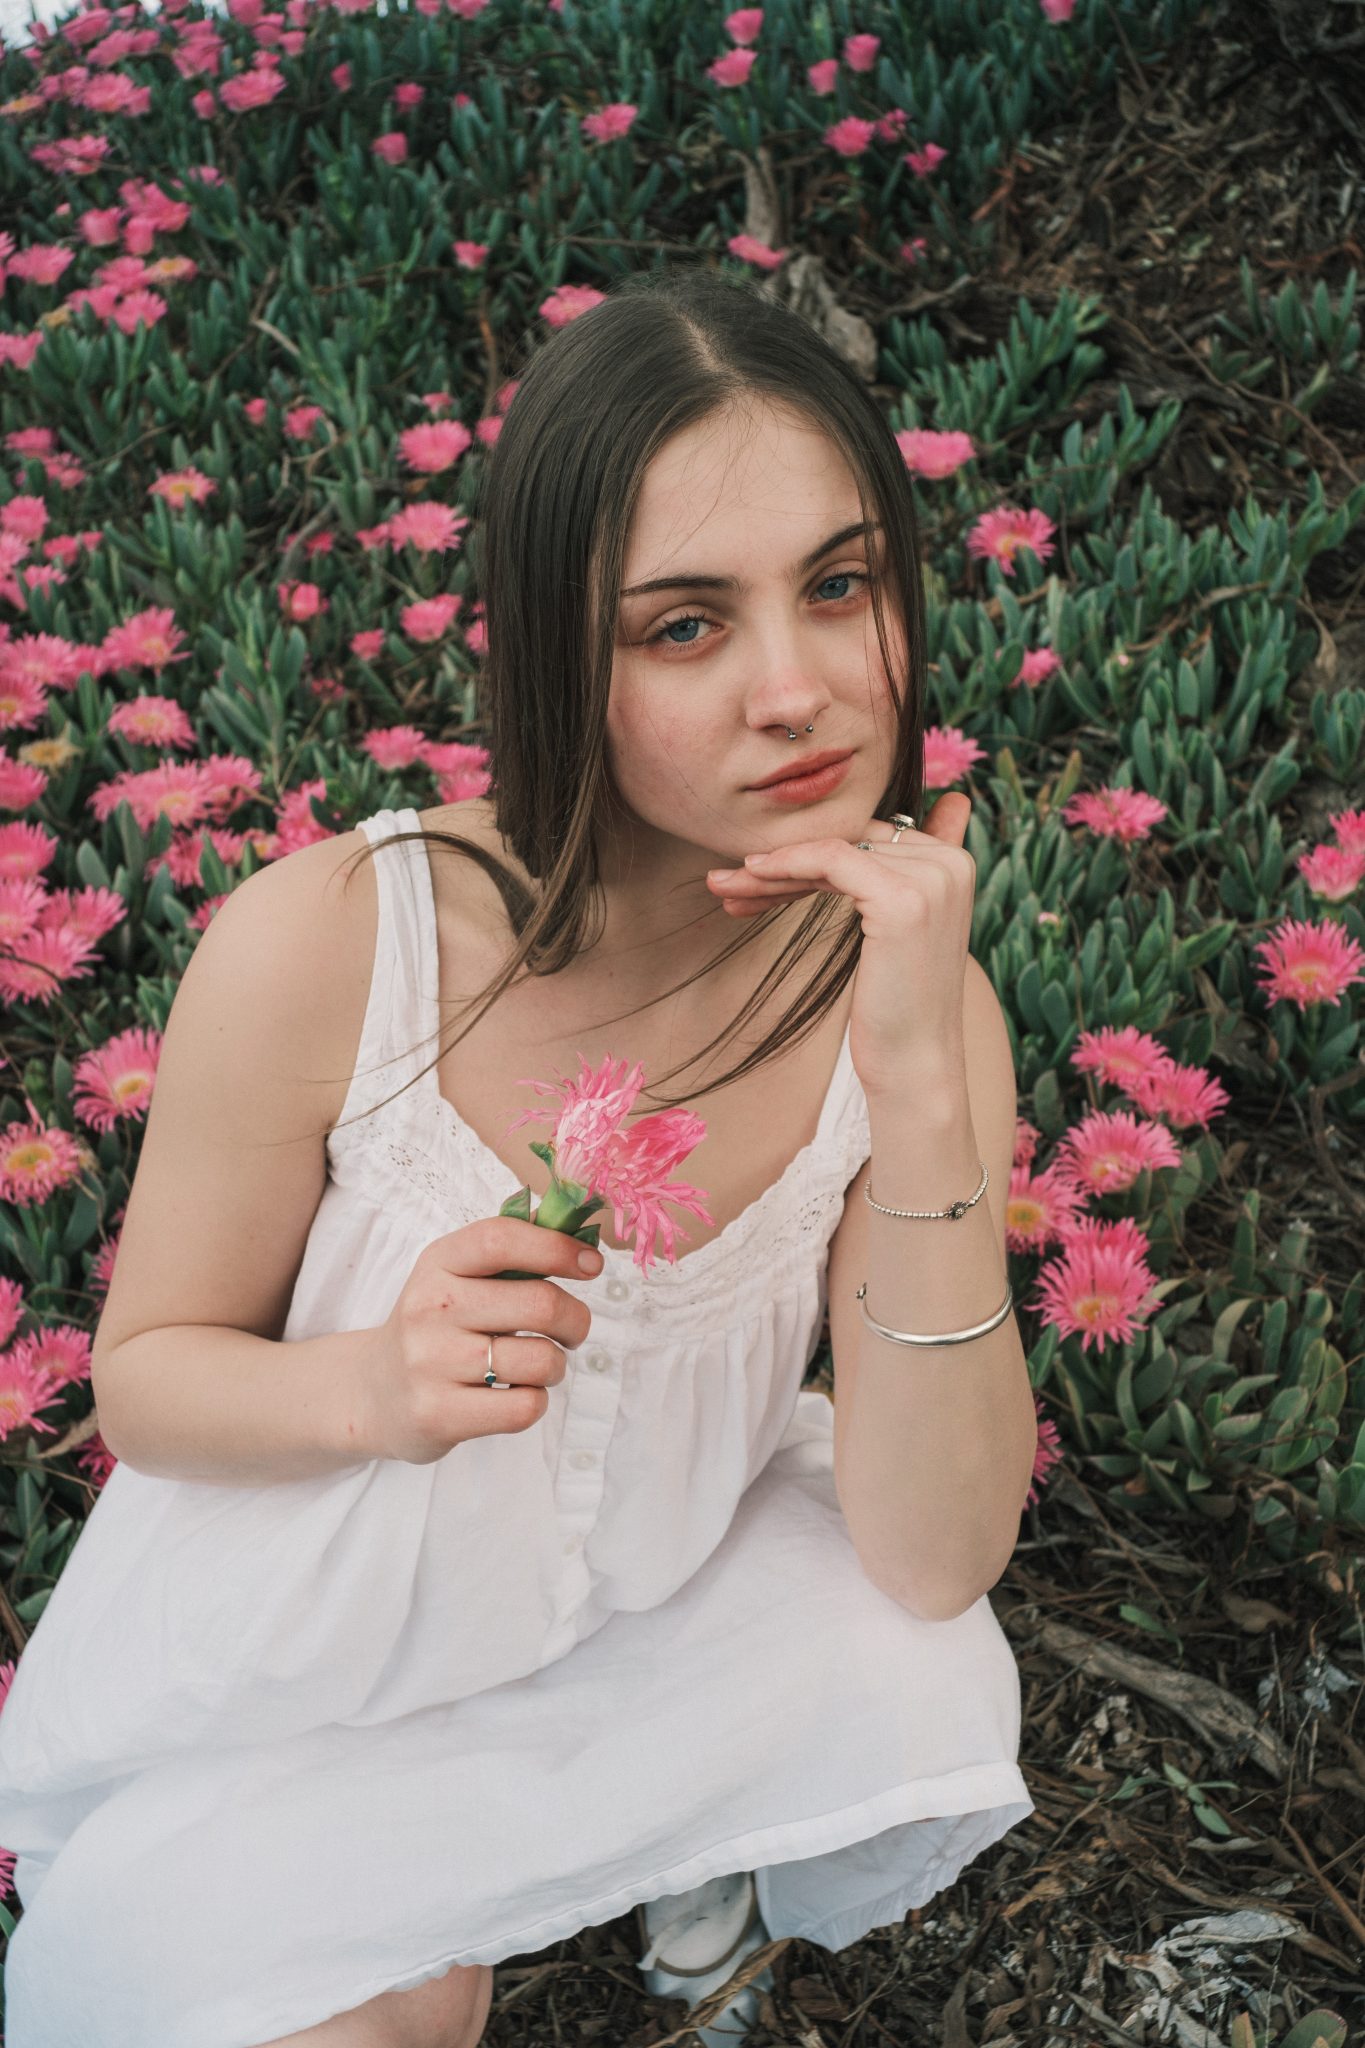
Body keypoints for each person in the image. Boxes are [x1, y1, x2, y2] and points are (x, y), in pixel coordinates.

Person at [0, 265, 1037, 2048]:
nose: (797, 691)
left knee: (908, 1655)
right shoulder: (339, 941)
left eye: (838, 585)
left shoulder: (911, 1000)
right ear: (559, 647)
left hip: (656, 1605)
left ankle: (657, 1838)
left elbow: (935, 1558)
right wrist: (374, 1384)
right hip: (316, 1657)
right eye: (684, 626)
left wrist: (922, 1086)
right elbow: (147, 1383)